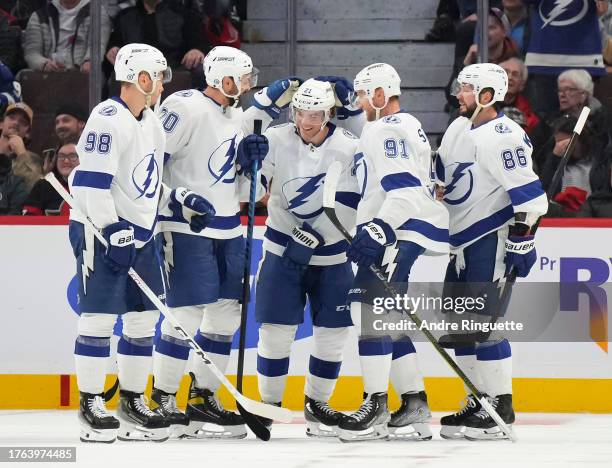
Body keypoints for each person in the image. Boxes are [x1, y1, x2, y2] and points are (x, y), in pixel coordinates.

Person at [68, 43, 214, 443]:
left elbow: (144, 184)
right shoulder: (107, 118)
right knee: (98, 318)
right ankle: (91, 402)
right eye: (161, 76)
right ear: (143, 79)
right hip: (102, 233)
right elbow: (91, 183)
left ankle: (132, 401)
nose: (164, 84)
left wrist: (178, 200)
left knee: (143, 320)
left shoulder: (149, 121)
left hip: (141, 233)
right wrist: (110, 227)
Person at [150, 45, 299, 439]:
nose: (250, 85)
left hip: (229, 228)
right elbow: (149, 161)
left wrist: (251, 166)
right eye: (244, 78)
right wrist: (174, 199)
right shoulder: (184, 107)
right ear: (223, 78)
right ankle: (163, 397)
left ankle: (202, 398)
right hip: (187, 227)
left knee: (226, 316)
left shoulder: (237, 117)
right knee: (185, 315)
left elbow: (245, 191)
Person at [337, 63, 449, 442]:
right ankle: (414, 404)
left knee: (367, 312)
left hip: (397, 231)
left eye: (363, 94)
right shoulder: (399, 125)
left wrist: (378, 228)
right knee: (388, 320)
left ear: (381, 95)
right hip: (403, 230)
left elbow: (403, 192)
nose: (360, 102)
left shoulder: (386, 128)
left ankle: (376, 406)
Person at [436, 63, 548, 440]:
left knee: (485, 325)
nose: (458, 94)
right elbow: (440, 176)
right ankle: (477, 400)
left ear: (487, 96)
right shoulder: (457, 128)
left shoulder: (504, 135)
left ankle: (501, 404)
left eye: (466, 89)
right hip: (460, 242)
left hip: (490, 238)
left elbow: (531, 198)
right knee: (461, 327)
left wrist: (522, 238)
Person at [254, 78, 360, 438]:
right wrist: (249, 163)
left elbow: (353, 201)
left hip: (332, 256)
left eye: (315, 114)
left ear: (329, 113)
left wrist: (317, 236)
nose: (306, 121)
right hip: (282, 251)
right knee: (276, 332)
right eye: (300, 112)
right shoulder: (275, 138)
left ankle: (318, 406)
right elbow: (252, 191)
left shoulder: (349, 146)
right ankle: (268, 405)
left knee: (332, 335)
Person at [105, 0, 210, 87]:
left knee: (200, 70)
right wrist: (113, 48)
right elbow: (115, 42)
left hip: (174, 68)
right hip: (135, 72)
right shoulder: (124, 17)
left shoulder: (184, 13)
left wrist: (197, 50)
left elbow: (200, 42)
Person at [24, 0, 111, 72]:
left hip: (80, 75)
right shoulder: (39, 16)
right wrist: (44, 64)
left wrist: (89, 62)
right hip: (47, 76)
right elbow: (32, 53)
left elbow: (97, 47)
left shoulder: (98, 13)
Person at [23, 141, 78, 215]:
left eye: (72, 156)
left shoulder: (93, 187)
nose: (66, 160)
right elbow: (29, 220)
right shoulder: (43, 186)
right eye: (61, 156)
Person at [0, 102, 42, 192]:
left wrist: (21, 153)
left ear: (27, 133)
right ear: (1, 124)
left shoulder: (33, 159)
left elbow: (36, 188)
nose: (16, 122)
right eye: (12, 118)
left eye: (23, 121)